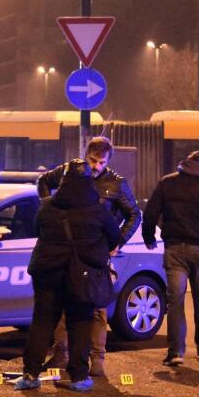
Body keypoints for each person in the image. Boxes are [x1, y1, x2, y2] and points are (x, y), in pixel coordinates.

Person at [37, 136, 141, 376]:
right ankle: (61, 354)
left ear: (108, 161)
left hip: (97, 252)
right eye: (93, 161)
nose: (96, 167)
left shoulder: (116, 183)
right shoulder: (68, 172)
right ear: (86, 155)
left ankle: (98, 360)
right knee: (66, 301)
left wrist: (118, 242)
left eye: (102, 162)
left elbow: (134, 214)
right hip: (70, 249)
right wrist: (47, 206)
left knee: (97, 306)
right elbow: (43, 181)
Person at [15, 159, 120, 393]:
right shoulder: (98, 209)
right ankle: (79, 377)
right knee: (80, 323)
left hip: (48, 272)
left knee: (42, 321)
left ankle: (30, 374)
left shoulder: (48, 206)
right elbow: (113, 238)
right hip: (81, 274)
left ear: (62, 181)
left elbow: (38, 230)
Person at [142, 150, 199, 366]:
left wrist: (149, 237)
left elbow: (150, 212)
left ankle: (175, 352)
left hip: (173, 250)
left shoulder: (167, 182)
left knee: (176, 301)